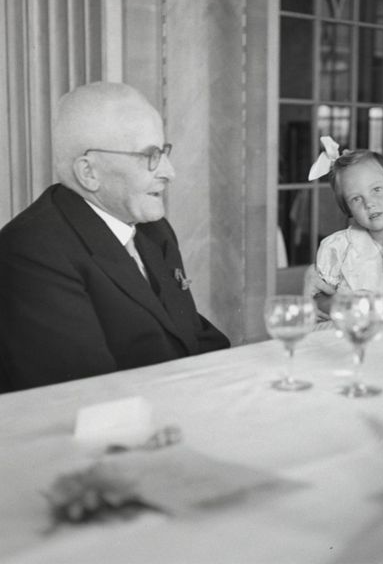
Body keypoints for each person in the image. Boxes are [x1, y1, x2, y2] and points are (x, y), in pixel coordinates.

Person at [0, 82, 229, 392]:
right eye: (149, 155)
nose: (169, 172)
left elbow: (189, 336)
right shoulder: (31, 253)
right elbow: (82, 396)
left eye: (163, 152)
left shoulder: (153, 229)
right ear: (89, 173)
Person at [306, 138, 383, 319]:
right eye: (356, 199)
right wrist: (356, 304)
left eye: (376, 190)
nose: (369, 203)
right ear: (347, 208)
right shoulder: (337, 247)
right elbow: (319, 300)